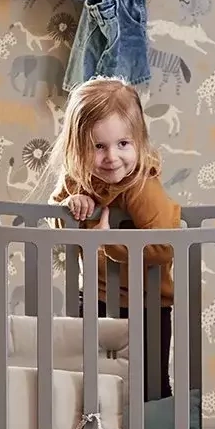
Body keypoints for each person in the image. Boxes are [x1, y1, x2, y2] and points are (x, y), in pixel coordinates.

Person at [49, 77, 182, 411]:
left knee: (150, 384)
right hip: (94, 296)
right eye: (98, 147)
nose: (112, 157)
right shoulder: (79, 179)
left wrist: (110, 242)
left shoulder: (141, 186)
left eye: (123, 143)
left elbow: (164, 247)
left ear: (139, 141)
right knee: (92, 379)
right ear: (78, 148)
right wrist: (71, 204)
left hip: (147, 303)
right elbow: (55, 220)